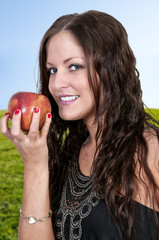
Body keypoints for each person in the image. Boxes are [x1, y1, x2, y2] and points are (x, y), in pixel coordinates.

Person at [0, 10, 159, 240]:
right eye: (52, 70)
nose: (56, 83)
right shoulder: (70, 154)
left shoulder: (150, 151)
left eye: (74, 66)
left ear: (111, 68)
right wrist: (35, 166)